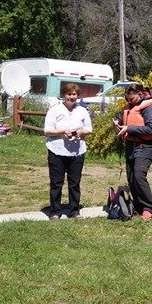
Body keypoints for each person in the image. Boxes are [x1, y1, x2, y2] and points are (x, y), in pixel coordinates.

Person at [43, 82, 92, 220]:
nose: (72, 97)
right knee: (56, 182)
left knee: (74, 183)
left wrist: (80, 133)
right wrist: (62, 131)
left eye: (74, 94)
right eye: (69, 94)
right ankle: (55, 211)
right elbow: (47, 130)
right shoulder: (54, 110)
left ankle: (74, 210)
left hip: (77, 151)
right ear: (64, 95)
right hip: (57, 151)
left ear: (77, 95)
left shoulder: (82, 110)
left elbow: (89, 129)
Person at [115, 83, 152, 221]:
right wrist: (117, 122)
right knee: (131, 177)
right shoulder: (130, 106)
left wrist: (129, 128)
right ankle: (138, 206)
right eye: (127, 98)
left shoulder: (149, 108)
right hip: (131, 145)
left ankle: (149, 208)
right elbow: (120, 116)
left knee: (138, 175)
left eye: (131, 98)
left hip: (146, 146)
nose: (128, 100)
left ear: (140, 94)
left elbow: (150, 129)